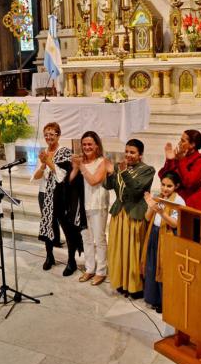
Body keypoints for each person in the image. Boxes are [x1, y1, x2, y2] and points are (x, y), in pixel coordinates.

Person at [103, 139, 155, 298]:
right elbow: (108, 186)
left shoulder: (147, 170)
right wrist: (109, 173)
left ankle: (135, 286)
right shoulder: (119, 166)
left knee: (133, 250)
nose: (128, 155)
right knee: (118, 250)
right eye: (126, 151)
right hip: (119, 213)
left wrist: (123, 171)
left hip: (135, 214)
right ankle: (120, 282)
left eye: (132, 152)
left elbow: (136, 190)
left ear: (140, 155)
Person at [32, 122, 84, 276]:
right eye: (46, 134)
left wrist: (48, 162)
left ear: (59, 135)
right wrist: (42, 165)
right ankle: (49, 256)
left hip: (60, 195)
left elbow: (62, 176)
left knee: (67, 228)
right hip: (43, 193)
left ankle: (71, 261)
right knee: (48, 224)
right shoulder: (43, 153)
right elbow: (36, 176)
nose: (48, 137)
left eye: (52, 134)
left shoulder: (65, 152)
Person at [70, 131, 110, 286]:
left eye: (90, 144)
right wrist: (75, 168)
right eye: (84, 144)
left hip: (98, 205)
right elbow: (71, 181)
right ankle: (89, 268)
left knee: (99, 238)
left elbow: (94, 181)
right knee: (86, 238)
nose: (86, 147)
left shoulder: (103, 161)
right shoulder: (81, 162)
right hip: (82, 206)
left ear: (97, 146)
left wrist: (81, 167)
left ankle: (101, 271)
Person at [142, 172, 184, 313]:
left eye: (169, 186)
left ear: (176, 186)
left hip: (168, 236)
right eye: (163, 185)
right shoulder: (158, 196)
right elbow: (147, 218)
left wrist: (160, 211)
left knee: (164, 268)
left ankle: (165, 300)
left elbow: (174, 224)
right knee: (153, 266)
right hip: (154, 233)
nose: (165, 189)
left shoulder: (178, 201)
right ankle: (153, 298)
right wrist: (150, 205)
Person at [159, 129, 201, 211]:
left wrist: (181, 161)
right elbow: (163, 177)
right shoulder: (180, 157)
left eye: (183, 141)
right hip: (175, 202)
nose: (179, 143)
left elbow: (189, 182)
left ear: (192, 144)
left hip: (193, 206)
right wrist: (169, 160)